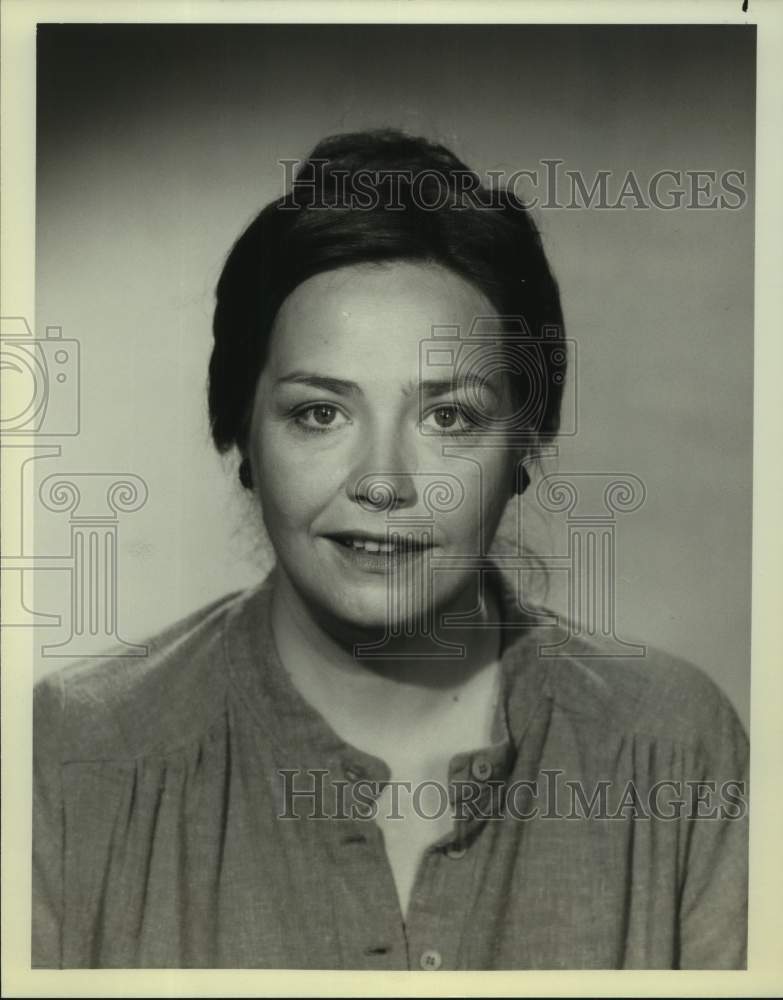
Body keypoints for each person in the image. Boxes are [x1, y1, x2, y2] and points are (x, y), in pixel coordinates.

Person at [32, 129, 748, 970]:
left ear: (526, 443)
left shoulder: (670, 748)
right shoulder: (73, 757)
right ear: (241, 437)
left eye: (448, 417)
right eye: (319, 413)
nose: (381, 481)